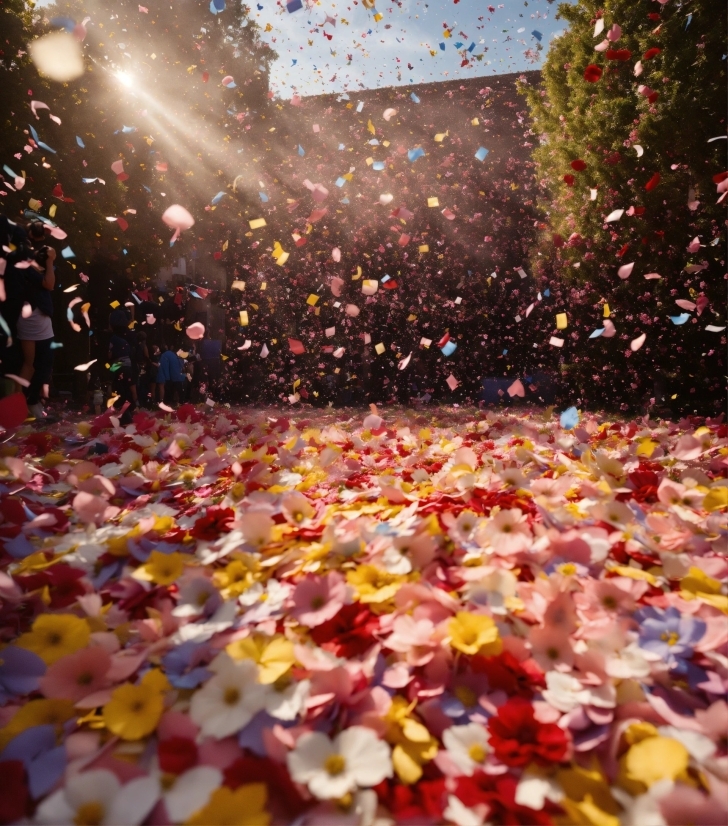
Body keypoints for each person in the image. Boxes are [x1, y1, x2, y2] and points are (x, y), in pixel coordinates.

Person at [13, 221, 57, 421]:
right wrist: (49, 262)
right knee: (39, 364)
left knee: (35, 364)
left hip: (34, 317)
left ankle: (24, 402)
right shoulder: (26, 262)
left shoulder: (23, 259)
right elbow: (49, 283)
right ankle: (24, 402)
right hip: (34, 318)